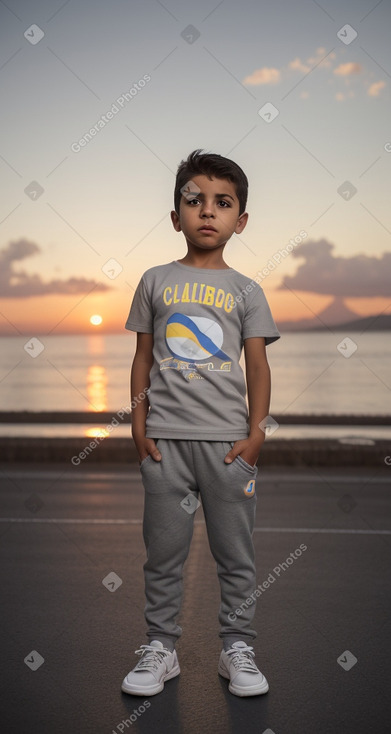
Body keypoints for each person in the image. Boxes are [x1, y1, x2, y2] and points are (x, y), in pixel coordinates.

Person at [122, 149, 280, 698]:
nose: (207, 212)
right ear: (175, 217)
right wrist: (139, 429)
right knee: (162, 554)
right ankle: (160, 647)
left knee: (236, 557)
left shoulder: (247, 290)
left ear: (240, 220)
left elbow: (256, 366)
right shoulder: (154, 280)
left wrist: (256, 434)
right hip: (164, 446)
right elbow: (143, 359)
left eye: (222, 203)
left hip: (228, 451)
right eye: (194, 201)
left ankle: (237, 647)